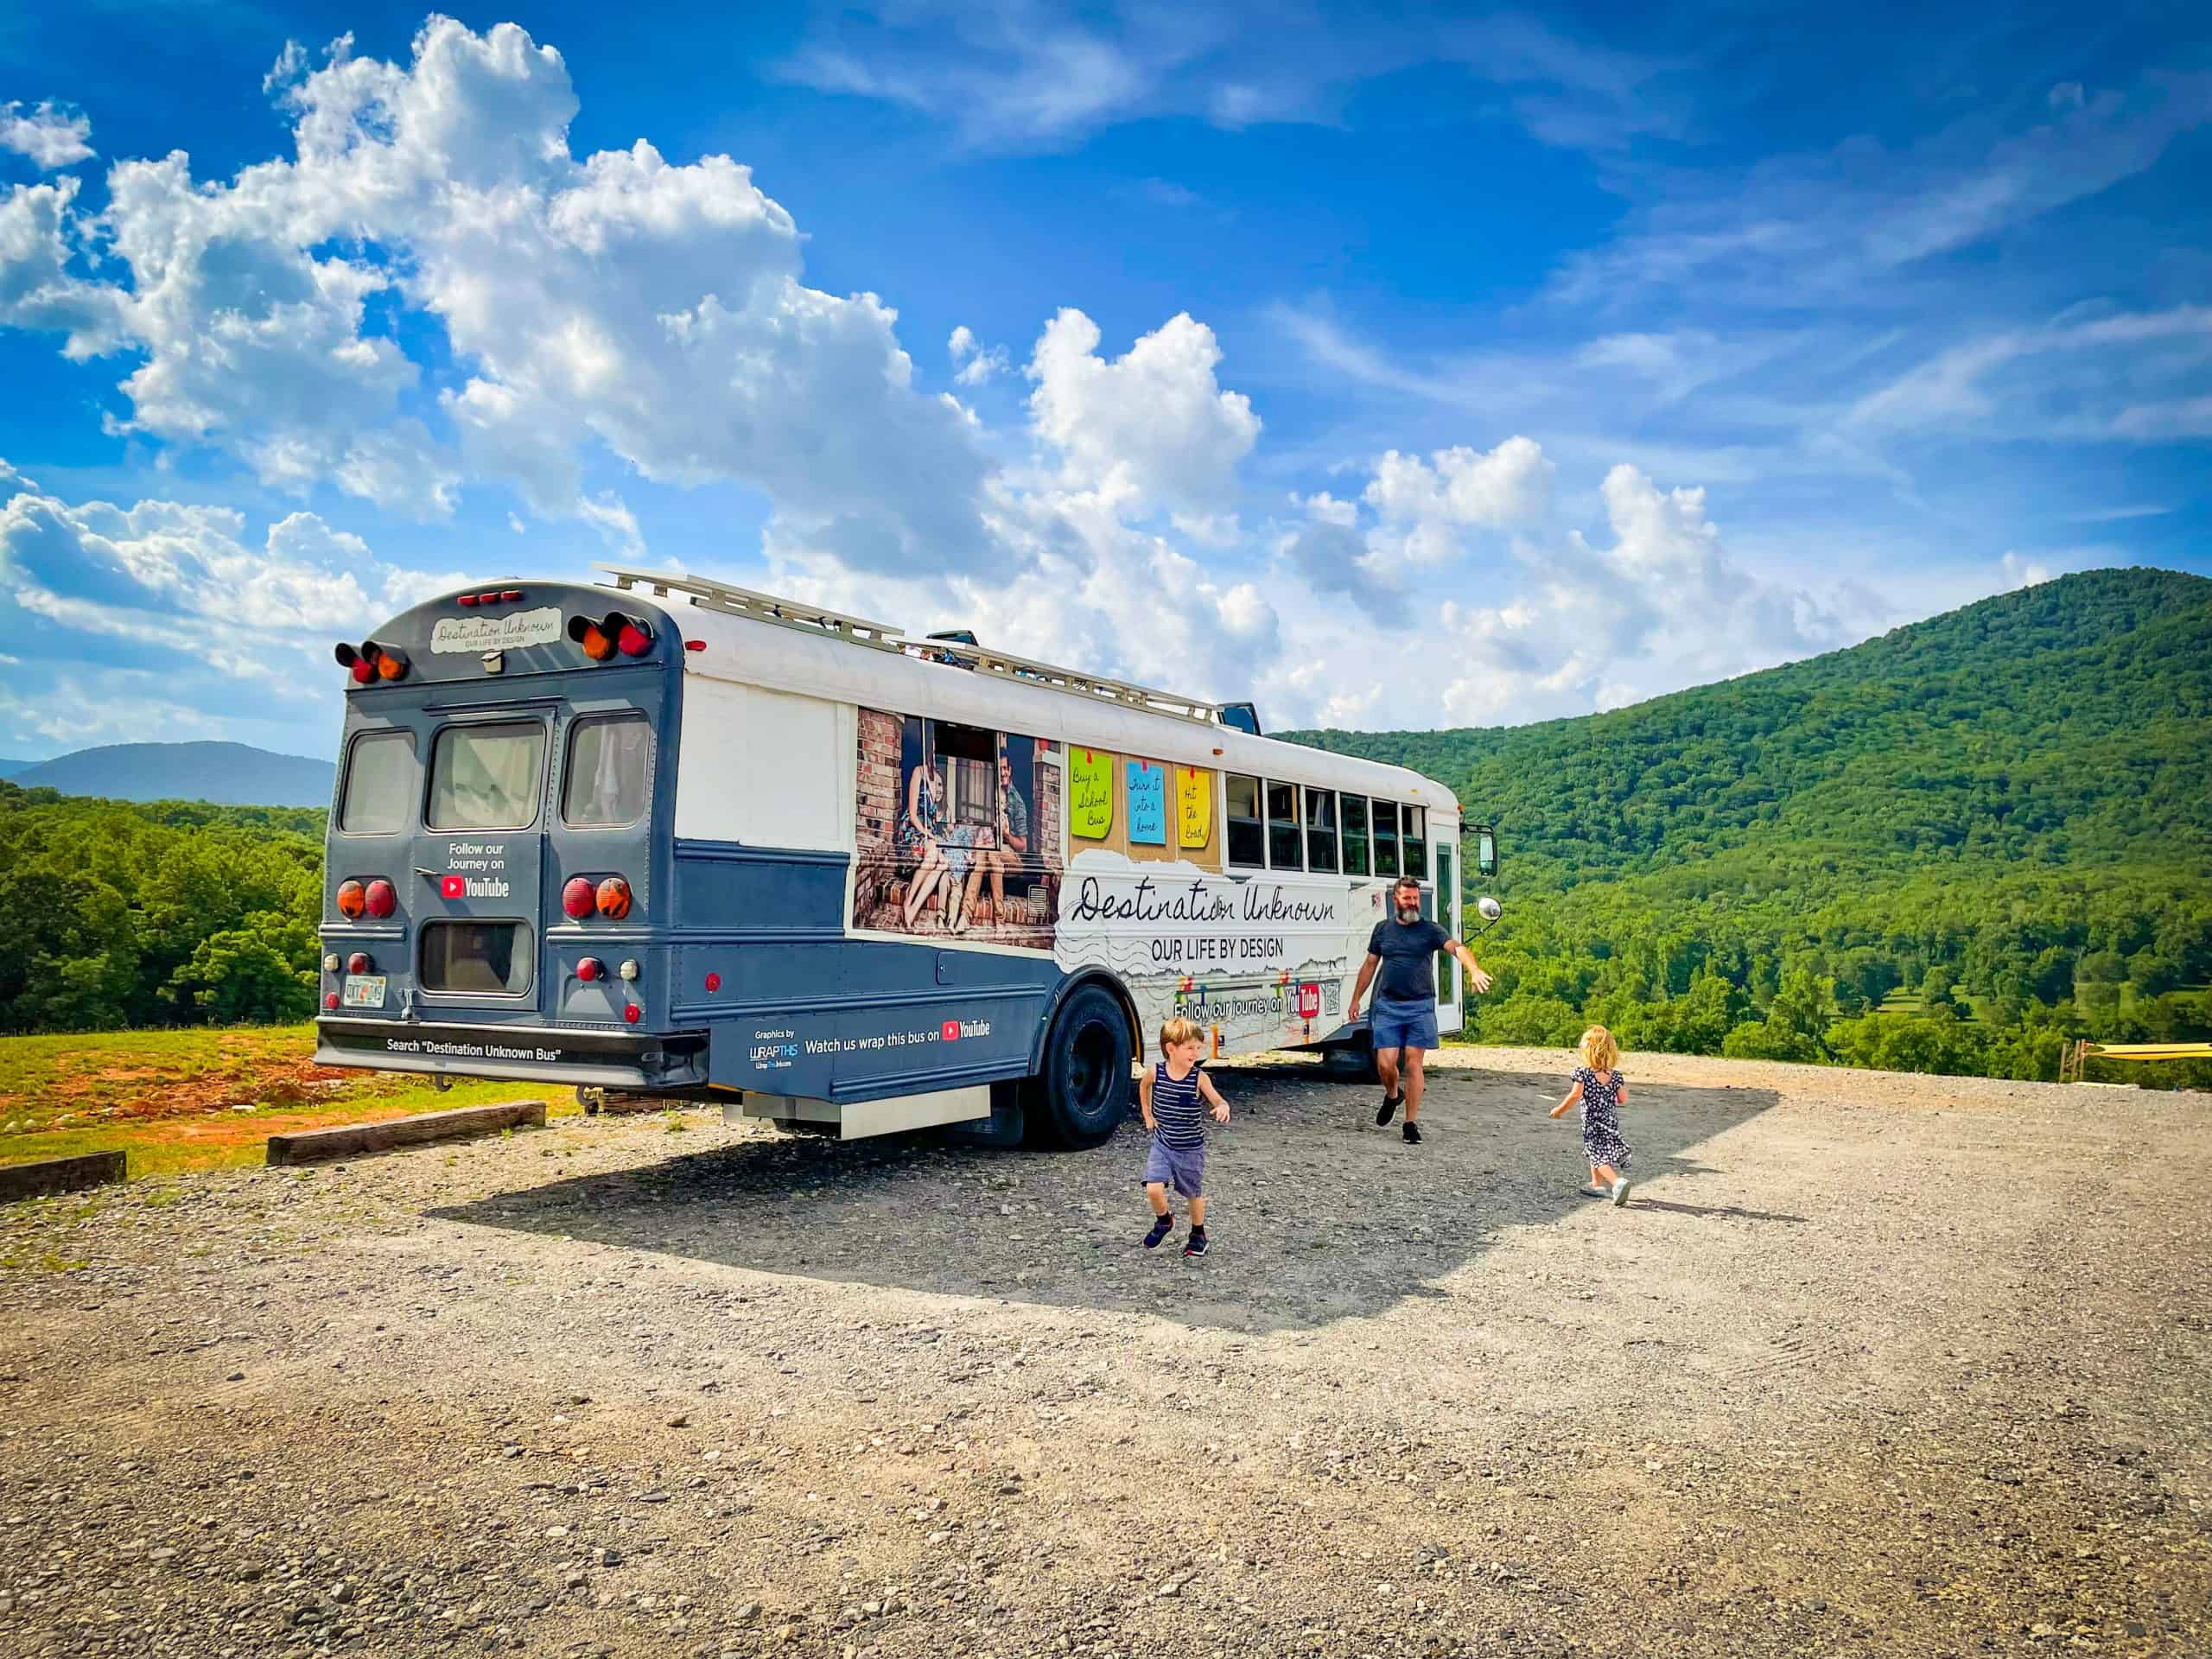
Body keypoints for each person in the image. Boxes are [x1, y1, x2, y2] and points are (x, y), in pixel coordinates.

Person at [1345, 874, 1493, 1144]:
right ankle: (1392, 1095)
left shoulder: (1431, 930)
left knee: (1414, 1062)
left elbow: (1457, 948)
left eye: (1416, 898)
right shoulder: (1383, 930)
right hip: (1388, 1005)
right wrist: (1356, 999)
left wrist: (1474, 969)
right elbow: (1369, 966)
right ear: (1396, 899)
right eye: (1407, 898)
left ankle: (1410, 1123)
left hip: (1420, 1006)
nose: (1413, 903)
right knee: (1385, 1064)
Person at [1139, 1015, 1230, 1258]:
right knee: (1153, 1189)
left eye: (1198, 1049)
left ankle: (1198, 1233)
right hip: (1163, 1142)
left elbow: (1217, 1098)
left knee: (1193, 1194)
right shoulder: (1156, 1072)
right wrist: (1147, 1114)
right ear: (1171, 1049)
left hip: (1190, 1147)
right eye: (1190, 1048)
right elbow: (1143, 1085)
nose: (1195, 1053)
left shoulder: (1199, 1078)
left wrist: (1223, 1106)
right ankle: (1163, 1221)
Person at [1550, 1025, 1632, 1205]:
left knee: (1596, 1154)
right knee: (1599, 1152)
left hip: (1592, 1122)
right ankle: (1596, 1185)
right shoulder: (1615, 1075)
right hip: (1610, 1120)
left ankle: (1616, 1182)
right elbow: (1623, 1099)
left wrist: (1559, 1110)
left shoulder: (1584, 1073)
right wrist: (1607, 1098)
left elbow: (1575, 1095)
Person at [963, 750, 1030, 928]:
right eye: (998, 769)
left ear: (1010, 770)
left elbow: (1023, 846)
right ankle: (972, 917)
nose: (1002, 773)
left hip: (1011, 856)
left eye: (1005, 768)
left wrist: (1006, 835)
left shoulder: (1017, 802)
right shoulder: (988, 794)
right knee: (987, 858)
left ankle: (976, 917)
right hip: (988, 850)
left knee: (992, 856)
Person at [898, 758, 950, 929]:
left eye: (942, 786)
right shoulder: (919, 772)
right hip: (912, 830)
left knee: (944, 863)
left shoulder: (938, 781)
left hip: (928, 836)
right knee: (934, 853)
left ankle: (913, 908)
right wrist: (926, 832)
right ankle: (908, 901)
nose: (940, 789)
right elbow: (913, 814)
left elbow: (935, 827)